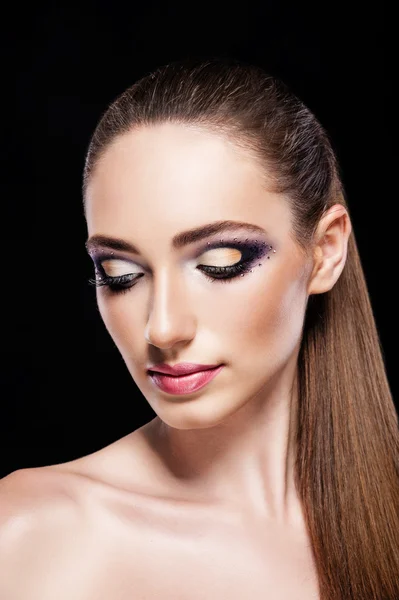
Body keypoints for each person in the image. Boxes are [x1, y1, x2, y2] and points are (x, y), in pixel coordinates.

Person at [0, 57, 398, 600]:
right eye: (120, 274)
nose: (163, 327)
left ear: (325, 252)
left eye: (221, 262)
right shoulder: (31, 531)